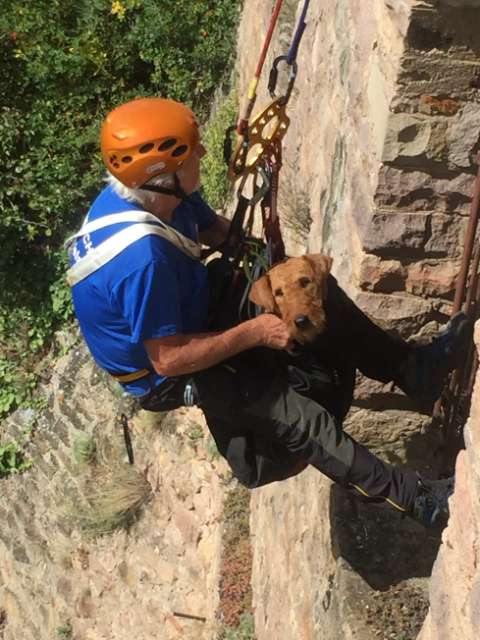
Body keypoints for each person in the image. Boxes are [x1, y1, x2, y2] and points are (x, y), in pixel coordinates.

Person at [67, 96, 472, 528]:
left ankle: (411, 369)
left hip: (193, 309)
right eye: (192, 151)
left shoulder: (162, 197)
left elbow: (215, 230)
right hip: (167, 372)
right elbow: (168, 358)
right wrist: (255, 332)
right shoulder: (141, 259)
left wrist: (273, 264)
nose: (203, 154)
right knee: (295, 415)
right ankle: (418, 500)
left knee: (309, 288)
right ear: (162, 176)